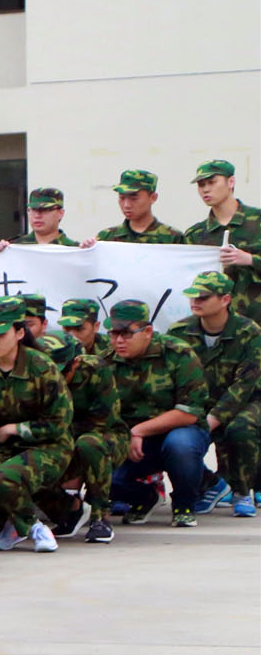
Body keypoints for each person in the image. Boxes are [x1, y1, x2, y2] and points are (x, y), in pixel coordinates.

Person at [0, 296, 74, 553]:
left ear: (19, 333)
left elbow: (59, 422)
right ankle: (8, 525)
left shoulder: (42, 368)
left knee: (5, 477)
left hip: (48, 446)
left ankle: (35, 527)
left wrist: (15, 429)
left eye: (0, 334)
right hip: (1, 447)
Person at [102, 299, 210, 527]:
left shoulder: (177, 353)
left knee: (181, 445)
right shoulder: (106, 362)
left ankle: (184, 505)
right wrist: (124, 436)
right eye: (113, 333)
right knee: (104, 474)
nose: (119, 340)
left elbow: (189, 413)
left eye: (126, 333)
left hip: (178, 430)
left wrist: (138, 430)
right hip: (133, 441)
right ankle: (145, 498)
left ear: (147, 332)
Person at [166, 272, 261, 518]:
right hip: (199, 402)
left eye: (203, 297)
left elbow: (245, 384)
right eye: (192, 296)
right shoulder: (179, 331)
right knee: (178, 441)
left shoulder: (249, 332)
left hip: (246, 400)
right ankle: (210, 485)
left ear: (225, 299)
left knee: (240, 428)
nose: (195, 301)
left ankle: (242, 491)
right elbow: (171, 377)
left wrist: (214, 418)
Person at [32, 333, 126, 544]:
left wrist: (63, 441)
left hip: (103, 437)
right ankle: (70, 510)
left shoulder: (95, 370)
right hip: (54, 438)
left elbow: (104, 420)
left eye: (61, 372)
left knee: (89, 444)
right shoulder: (30, 374)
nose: (54, 379)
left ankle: (100, 517)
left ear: (75, 363)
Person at [185, 160, 261, 323]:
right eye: (201, 185)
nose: (205, 189)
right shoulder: (195, 234)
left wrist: (249, 259)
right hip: (216, 325)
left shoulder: (258, 221)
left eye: (212, 182)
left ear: (231, 182)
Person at [95, 170, 185, 243]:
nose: (126, 205)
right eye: (122, 198)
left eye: (134, 198)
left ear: (153, 198)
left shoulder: (173, 238)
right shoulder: (106, 238)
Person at [0, 188, 82, 249]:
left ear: (60, 213)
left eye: (45, 210)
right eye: (33, 210)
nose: (37, 215)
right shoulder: (15, 247)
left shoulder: (73, 249)